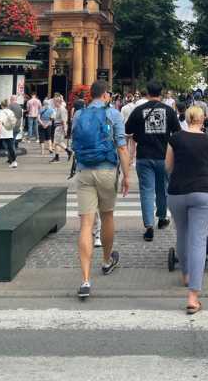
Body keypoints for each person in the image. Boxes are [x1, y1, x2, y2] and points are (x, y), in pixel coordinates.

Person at [72, 79, 130, 299]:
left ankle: (85, 280)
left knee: (86, 224)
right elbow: (122, 147)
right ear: (105, 95)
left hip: (84, 170)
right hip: (107, 169)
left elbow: (73, 142)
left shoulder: (79, 115)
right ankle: (106, 261)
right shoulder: (113, 114)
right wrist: (126, 176)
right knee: (107, 216)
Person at [165, 105, 208, 315]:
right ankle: (193, 296)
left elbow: (168, 166)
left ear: (186, 118)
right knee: (198, 241)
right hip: (202, 193)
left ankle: (186, 273)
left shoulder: (175, 139)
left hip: (177, 192)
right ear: (203, 119)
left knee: (182, 233)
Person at [125, 79, 180, 241]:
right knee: (163, 188)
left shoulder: (138, 110)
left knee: (146, 191)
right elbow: (177, 132)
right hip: (164, 156)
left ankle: (149, 226)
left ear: (147, 93)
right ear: (161, 92)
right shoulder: (169, 111)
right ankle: (162, 218)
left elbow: (128, 130)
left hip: (143, 156)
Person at [50, 94, 71, 163]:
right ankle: (57, 156)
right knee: (56, 142)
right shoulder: (58, 109)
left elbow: (64, 120)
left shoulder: (62, 109)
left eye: (54, 102)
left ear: (57, 102)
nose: (53, 104)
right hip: (58, 126)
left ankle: (68, 151)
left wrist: (65, 129)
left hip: (60, 127)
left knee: (58, 142)